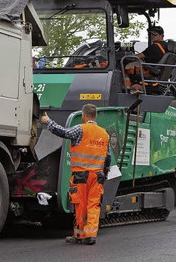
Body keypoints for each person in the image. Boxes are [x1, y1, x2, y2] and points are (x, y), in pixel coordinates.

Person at [41, 104, 111, 245]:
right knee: (93, 205)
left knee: (80, 205)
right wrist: (105, 174)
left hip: (81, 176)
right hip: (97, 177)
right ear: (95, 116)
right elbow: (108, 158)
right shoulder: (104, 134)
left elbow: (64, 133)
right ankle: (91, 235)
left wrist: (48, 122)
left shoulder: (80, 129)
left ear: (84, 116)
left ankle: (79, 235)